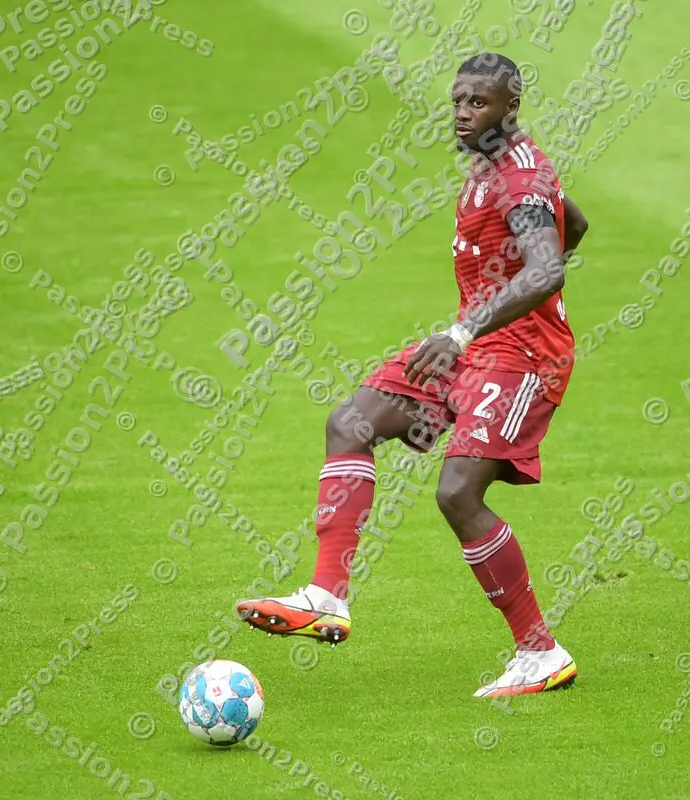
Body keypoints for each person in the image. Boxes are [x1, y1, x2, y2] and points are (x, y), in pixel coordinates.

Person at [236, 52, 591, 697]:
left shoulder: (521, 179)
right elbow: (576, 223)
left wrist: (465, 329)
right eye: (457, 100)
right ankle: (326, 595)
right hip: (476, 346)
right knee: (352, 421)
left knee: (458, 494)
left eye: (477, 103)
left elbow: (547, 270)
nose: (461, 113)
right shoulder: (494, 166)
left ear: (510, 107)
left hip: (523, 359)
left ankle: (541, 654)